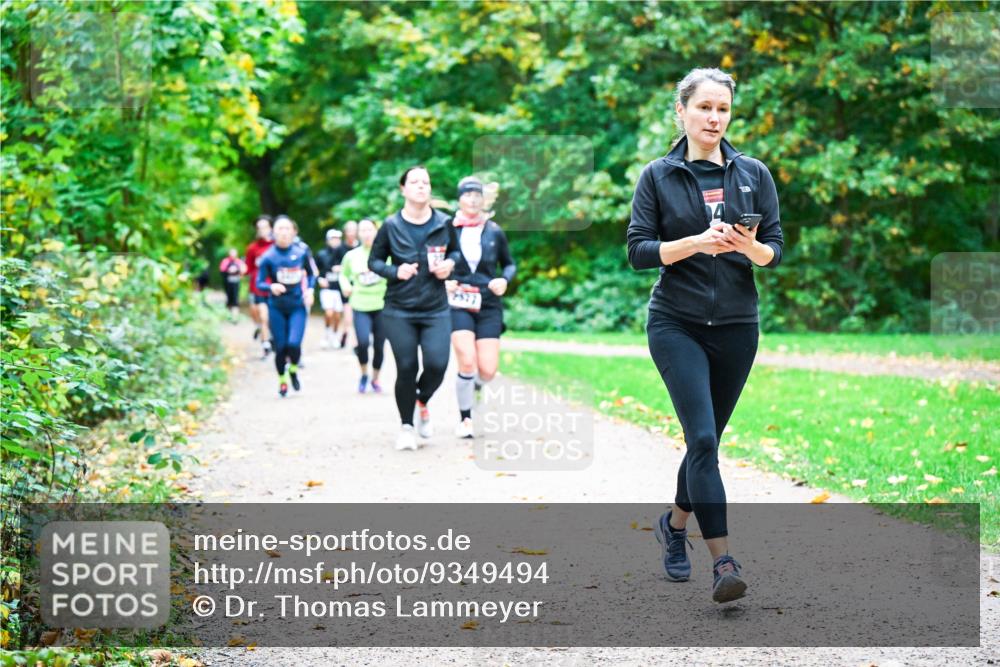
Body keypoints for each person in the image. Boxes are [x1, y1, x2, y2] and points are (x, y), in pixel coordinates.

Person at [626, 67, 784, 604]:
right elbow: (638, 252)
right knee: (703, 441)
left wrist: (746, 247)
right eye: (704, 107)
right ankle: (724, 564)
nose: (714, 118)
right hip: (676, 323)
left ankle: (673, 525)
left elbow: (775, 251)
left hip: (738, 327)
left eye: (723, 109)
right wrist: (695, 242)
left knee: (705, 440)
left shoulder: (753, 172)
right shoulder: (658, 175)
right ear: (682, 112)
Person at [368, 166, 460, 451]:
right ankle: (407, 426)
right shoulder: (391, 225)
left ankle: (422, 401)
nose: (421, 186)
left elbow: (455, 252)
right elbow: (374, 261)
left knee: (436, 365)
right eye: (414, 182)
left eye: (426, 182)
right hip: (399, 309)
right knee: (407, 367)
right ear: (403, 189)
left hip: (435, 308)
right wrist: (396, 272)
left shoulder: (444, 223)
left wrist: (450, 265)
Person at [445, 176, 516, 439]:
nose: (473, 200)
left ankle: (472, 385)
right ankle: (465, 419)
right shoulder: (447, 228)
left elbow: (509, 264)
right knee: (466, 361)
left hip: (488, 302)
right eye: (468, 195)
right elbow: (433, 261)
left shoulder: (494, 230)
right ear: (460, 199)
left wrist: (503, 280)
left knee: (487, 370)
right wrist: (444, 282)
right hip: (459, 301)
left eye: (477, 195)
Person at [255, 216, 316, 397]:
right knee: (281, 347)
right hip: (277, 308)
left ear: (294, 232)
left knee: (294, 344)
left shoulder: (301, 252)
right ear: (273, 232)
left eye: (287, 228)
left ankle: (294, 370)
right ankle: (282, 380)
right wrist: (271, 286)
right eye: (280, 229)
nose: (283, 232)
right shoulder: (268, 257)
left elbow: (312, 275)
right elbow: (259, 283)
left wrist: (310, 291)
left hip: (297, 306)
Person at [339, 219, 388, 394]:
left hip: (382, 305)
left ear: (376, 232)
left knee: (379, 346)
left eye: (370, 230)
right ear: (358, 234)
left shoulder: (386, 254)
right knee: (363, 342)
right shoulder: (351, 256)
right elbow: (343, 275)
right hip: (360, 305)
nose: (367, 234)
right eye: (363, 230)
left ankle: (375, 378)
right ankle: (364, 374)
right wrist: (345, 285)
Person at [245, 215, 275, 358]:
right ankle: (265, 345)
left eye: (265, 226)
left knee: (272, 318)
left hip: (276, 287)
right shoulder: (252, 248)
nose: (262, 230)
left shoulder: (277, 246)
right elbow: (248, 269)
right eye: (259, 227)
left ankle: (274, 339)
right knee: (263, 317)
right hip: (259, 288)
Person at [315, 229, 346, 348]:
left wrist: (342, 268)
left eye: (337, 238)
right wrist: (319, 280)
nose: (335, 241)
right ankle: (327, 333)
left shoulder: (345, 254)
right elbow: (314, 270)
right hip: (327, 289)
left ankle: (334, 335)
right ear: (328, 240)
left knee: (337, 315)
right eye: (333, 238)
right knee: (329, 313)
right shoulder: (321, 254)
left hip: (339, 289)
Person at [332, 220, 361, 350]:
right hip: (345, 287)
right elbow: (332, 266)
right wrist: (344, 268)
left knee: (357, 316)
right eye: (349, 230)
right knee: (349, 316)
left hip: (361, 286)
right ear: (345, 232)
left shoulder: (362, 246)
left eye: (354, 230)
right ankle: (355, 344)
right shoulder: (339, 249)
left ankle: (345, 334)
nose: (351, 233)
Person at [219, 249, 246, 323]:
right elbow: (222, 271)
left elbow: (243, 271)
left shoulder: (239, 262)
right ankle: (229, 315)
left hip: (236, 283)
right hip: (227, 283)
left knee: (235, 299)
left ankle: (235, 317)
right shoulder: (225, 261)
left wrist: (239, 272)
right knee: (229, 298)